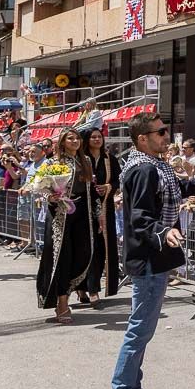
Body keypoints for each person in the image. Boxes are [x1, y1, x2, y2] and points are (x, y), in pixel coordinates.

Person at [104, 113, 182, 389]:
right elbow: (140, 218)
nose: (167, 135)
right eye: (160, 132)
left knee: (143, 331)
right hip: (148, 261)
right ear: (142, 139)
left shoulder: (154, 166)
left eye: (167, 130)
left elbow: (164, 199)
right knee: (139, 332)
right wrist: (164, 232)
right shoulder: (144, 169)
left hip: (153, 260)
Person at [36, 129, 96, 324]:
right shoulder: (53, 163)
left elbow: (91, 191)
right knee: (62, 257)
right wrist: (49, 196)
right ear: (62, 142)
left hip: (82, 213)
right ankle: (62, 302)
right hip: (60, 215)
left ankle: (70, 293)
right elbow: (41, 187)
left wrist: (99, 215)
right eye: (70, 138)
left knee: (82, 253)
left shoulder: (85, 160)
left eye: (77, 138)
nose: (75, 141)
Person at [84, 127, 122, 305]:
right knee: (85, 249)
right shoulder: (81, 159)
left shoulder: (110, 159)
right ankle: (82, 288)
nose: (97, 140)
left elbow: (117, 180)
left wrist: (107, 187)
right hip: (83, 209)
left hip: (105, 209)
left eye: (99, 137)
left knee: (101, 249)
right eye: (93, 137)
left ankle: (94, 288)